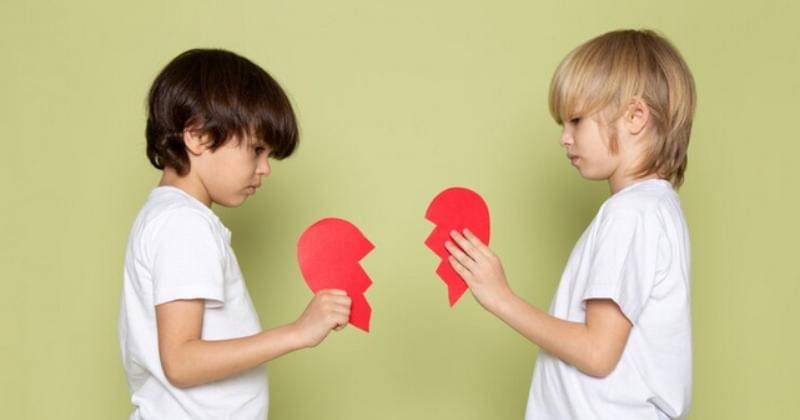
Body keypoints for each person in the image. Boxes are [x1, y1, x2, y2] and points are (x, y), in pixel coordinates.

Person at [445, 29, 696, 419]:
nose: (565, 138)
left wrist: (501, 298)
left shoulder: (630, 214)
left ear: (635, 116)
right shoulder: (655, 209)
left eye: (576, 120)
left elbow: (597, 352)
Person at [118, 49, 351, 419]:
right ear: (198, 136)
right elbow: (180, 361)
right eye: (256, 150)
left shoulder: (174, 218)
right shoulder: (184, 224)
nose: (264, 169)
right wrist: (297, 332)